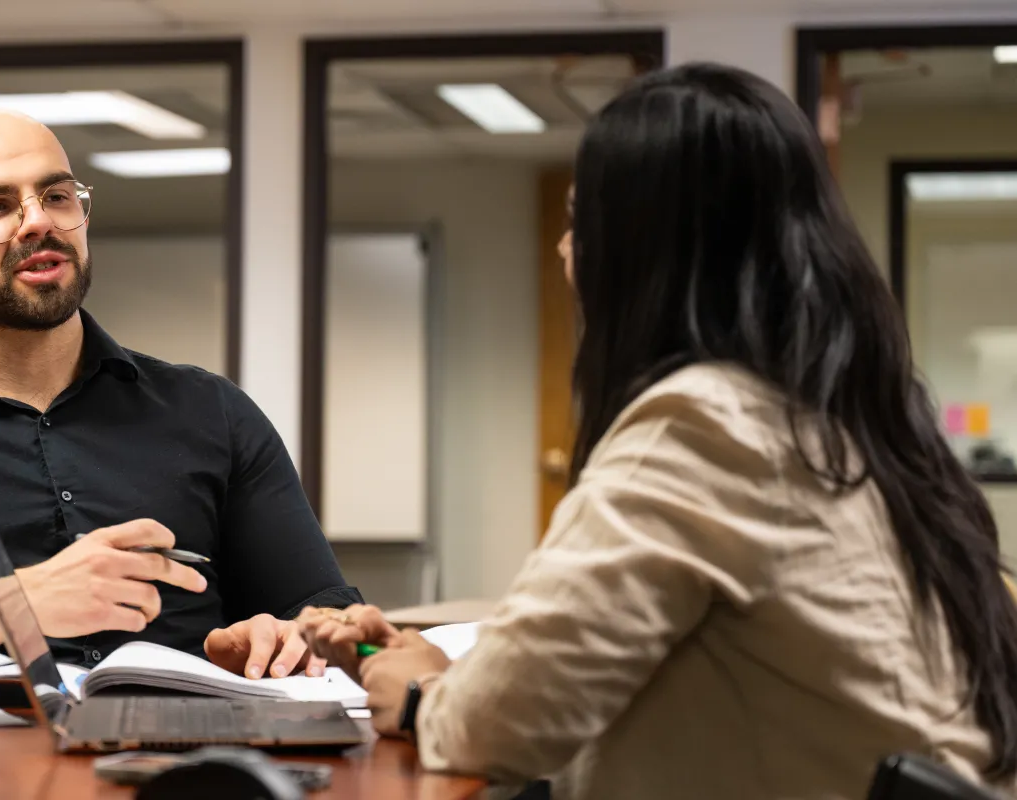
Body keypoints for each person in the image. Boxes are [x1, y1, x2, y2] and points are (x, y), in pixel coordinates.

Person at [300, 62, 1017, 799]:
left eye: (583, 222)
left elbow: (497, 728)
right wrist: (447, 677)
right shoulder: (843, 422)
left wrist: (425, 698)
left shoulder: (705, 427)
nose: (564, 250)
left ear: (646, 248)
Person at [0, 109, 361, 678]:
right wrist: (25, 596)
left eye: (57, 197)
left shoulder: (213, 411)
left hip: (181, 756)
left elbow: (325, 612)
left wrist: (288, 641)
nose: (38, 222)